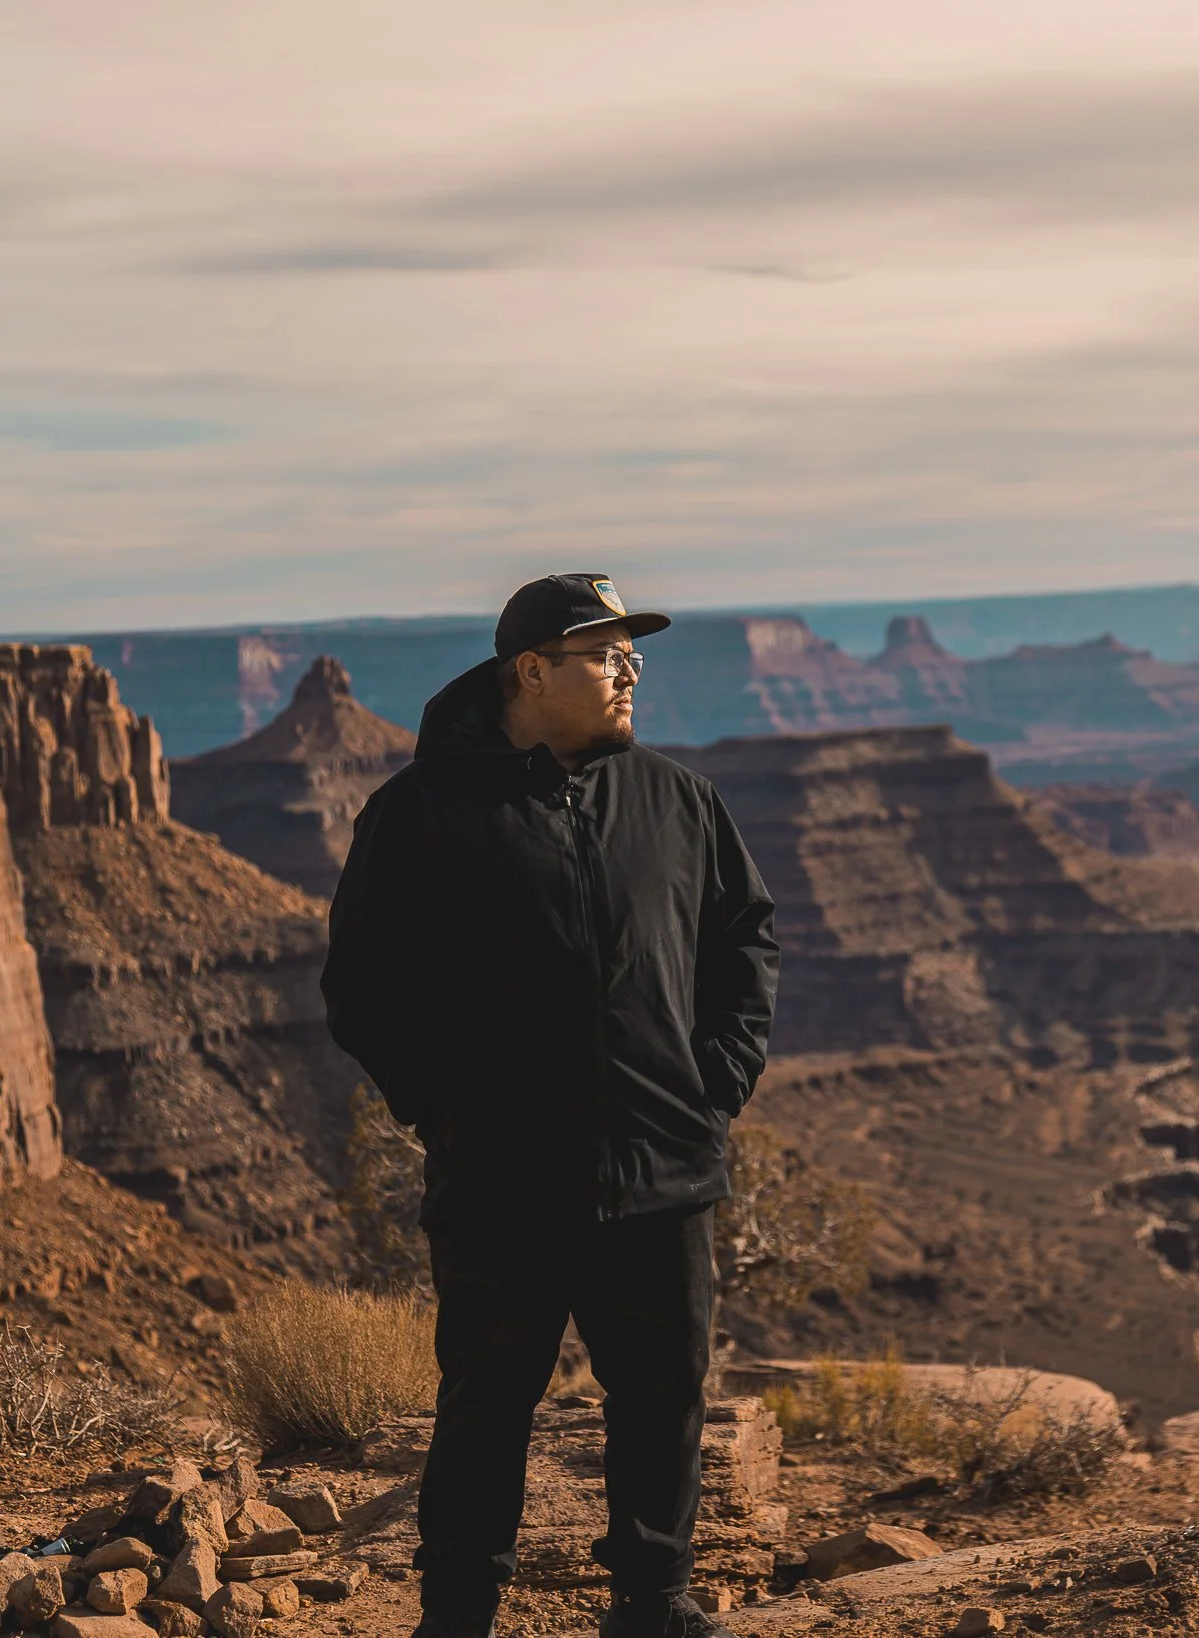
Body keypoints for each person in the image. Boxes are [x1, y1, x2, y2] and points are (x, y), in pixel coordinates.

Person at [322, 573, 781, 1638]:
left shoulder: (674, 798)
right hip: (501, 1186)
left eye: (633, 653)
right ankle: (460, 1612)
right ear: (531, 671)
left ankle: (653, 1603)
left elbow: (743, 937)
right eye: (602, 652)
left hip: (662, 1172)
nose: (629, 670)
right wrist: (445, 1113)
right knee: (485, 1407)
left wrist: (714, 1086)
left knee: (663, 1401)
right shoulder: (423, 812)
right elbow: (363, 986)